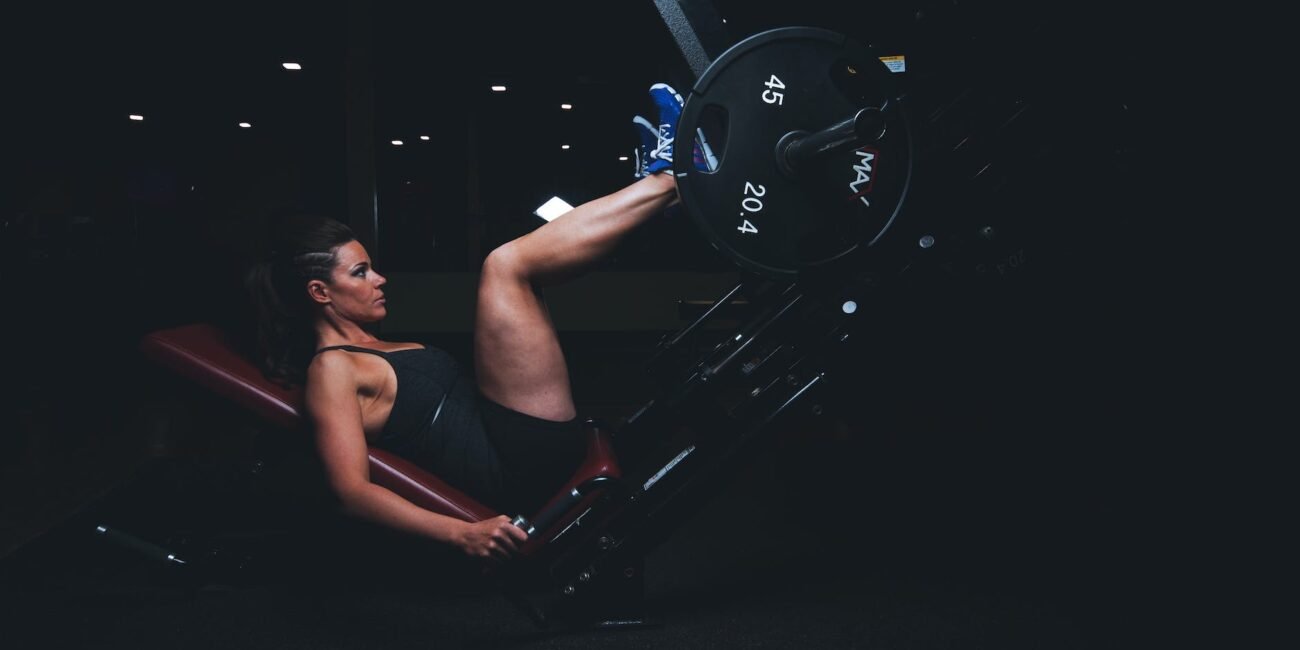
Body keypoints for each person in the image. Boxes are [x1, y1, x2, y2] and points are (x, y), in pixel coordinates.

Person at [244, 84, 714, 563]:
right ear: (320, 293)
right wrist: (459, 533)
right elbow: (350, 492)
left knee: (523, 273)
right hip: (516, 467)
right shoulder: (332, 371)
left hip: (513, 438)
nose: (380, 279)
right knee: (505, 267)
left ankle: (658, 196)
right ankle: (668, 179)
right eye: (360, 273)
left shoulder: (370, 347)